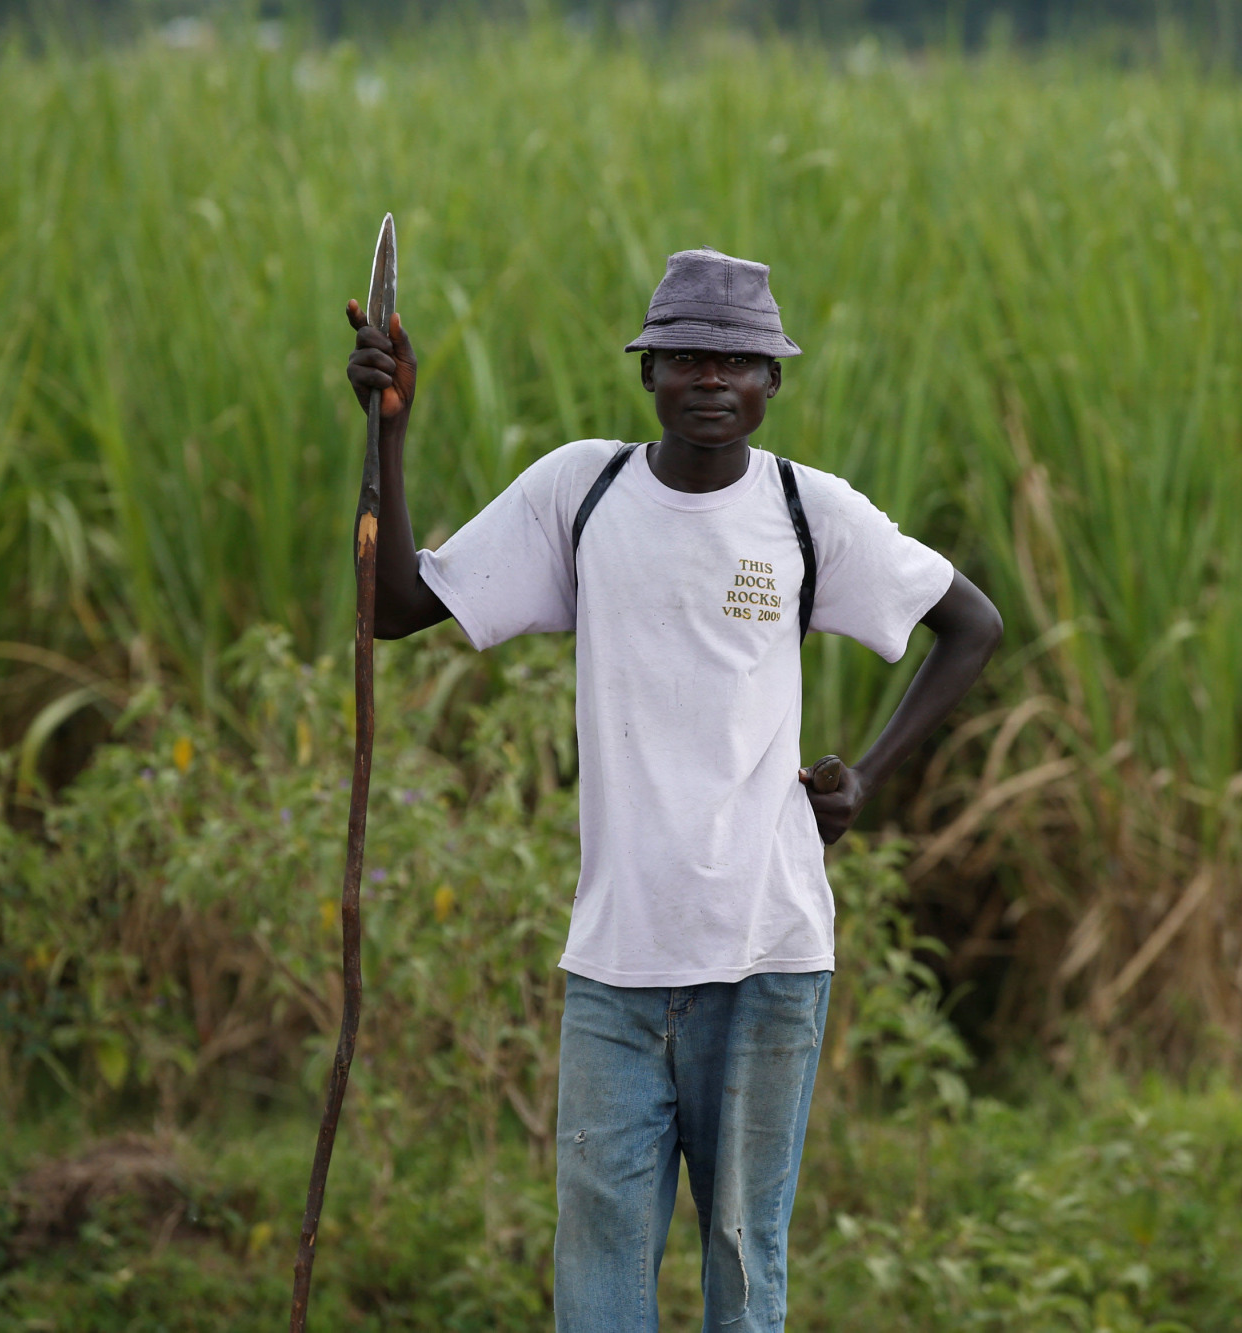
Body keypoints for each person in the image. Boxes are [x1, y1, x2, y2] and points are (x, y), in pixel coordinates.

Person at [343, 248, 1001, 1332]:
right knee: (597, 1287)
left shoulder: (803, 511)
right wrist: (390, 431)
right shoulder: (583, 491)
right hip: (615, 965)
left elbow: (970, 624)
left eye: (737, 361)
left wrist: (867, 778)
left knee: (744, 1275)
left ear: (771, 383)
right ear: (646, 371)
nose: (711, 380)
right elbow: (399, 606)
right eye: (686, 357)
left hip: (767, 951)